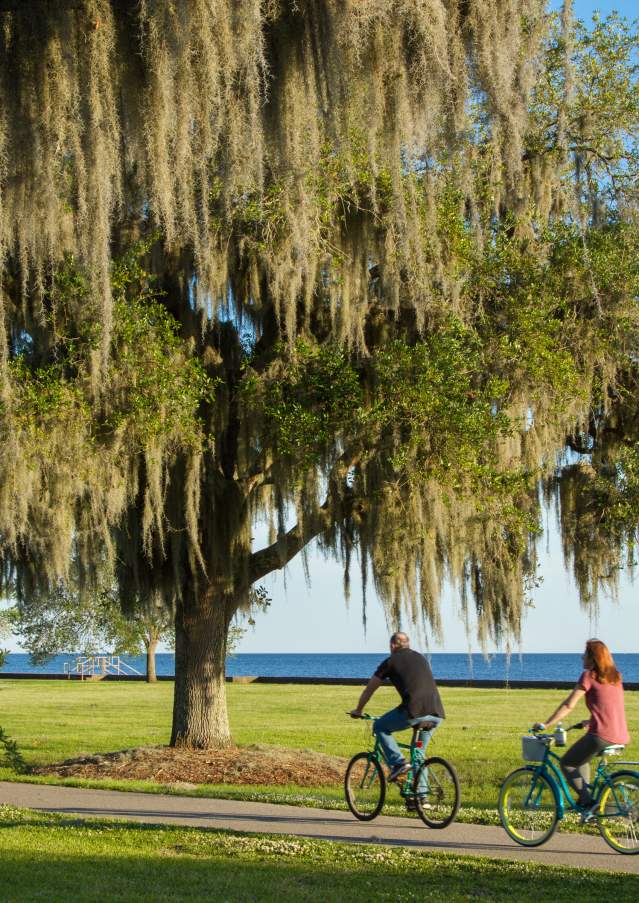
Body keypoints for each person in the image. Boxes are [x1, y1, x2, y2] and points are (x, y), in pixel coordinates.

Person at [533, 638, 630, 816]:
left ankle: (588, 802)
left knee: (567, 763)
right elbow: (609, 705)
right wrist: (591, 720)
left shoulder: (588, 676)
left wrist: (547, 724)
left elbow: (569, 705)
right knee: (581, 759)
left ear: (592, 658)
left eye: (584, 654)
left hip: (601, 734)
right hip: (620, 734)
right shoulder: (615, 676)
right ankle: (584, 801)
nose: (581, 657)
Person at [349, 631, 445, 781]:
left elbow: (370, 689)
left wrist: (359, 710)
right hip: (437, 712)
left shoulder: (390, 662)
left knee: (380, 726)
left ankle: (398, 763)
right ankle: (421, 799)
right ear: (408, 644)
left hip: (414, 710)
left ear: (393, 645)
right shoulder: (421, 658)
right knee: (418, 754)